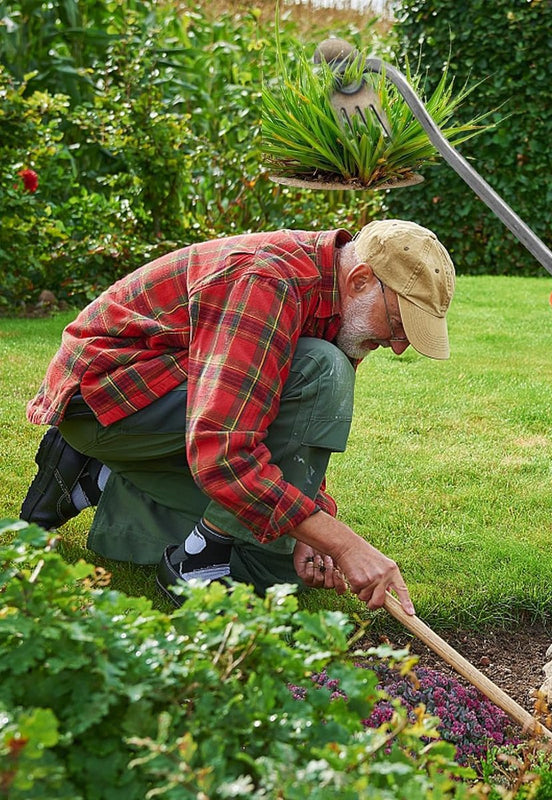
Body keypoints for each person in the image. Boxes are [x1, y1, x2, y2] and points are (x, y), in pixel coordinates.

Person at [19, 220, 455, 615]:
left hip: (163, 397)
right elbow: (222, 454)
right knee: (321, 372)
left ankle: (99, 477)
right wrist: (343, 543)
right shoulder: (267, 280)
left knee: (280, 540)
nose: (398, 346)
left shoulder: (336, 302)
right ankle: (197, 558)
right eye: (398, 325)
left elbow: (293, 430)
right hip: (110, 396)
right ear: (361, 280)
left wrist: (314, 523)